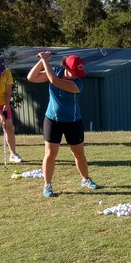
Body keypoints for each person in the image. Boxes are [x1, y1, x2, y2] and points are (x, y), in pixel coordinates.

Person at [26, 51, 99, 197]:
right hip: (53, 120)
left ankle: (85, 179)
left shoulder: (77, 83)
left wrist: (45, 60)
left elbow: (54, 81)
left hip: (73, 121)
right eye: (74, 71)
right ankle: (47, 185)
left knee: (79, 153)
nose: (76, 74)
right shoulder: (56, 71)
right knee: (50, 154)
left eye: (78, 72)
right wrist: (42, 60)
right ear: (66, 66)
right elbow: (31, 77)